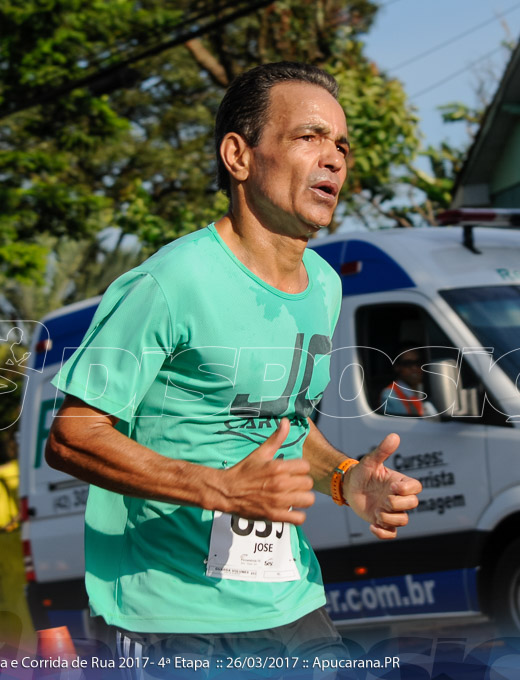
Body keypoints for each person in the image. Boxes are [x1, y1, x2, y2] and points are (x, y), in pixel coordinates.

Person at [45, 62, 422, 666]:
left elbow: (282, 428)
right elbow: (72, 437)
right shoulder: (170, 282)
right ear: (238, 156)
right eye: (309, 137)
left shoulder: (323, 286)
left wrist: (346, 479)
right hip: (174, 614)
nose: (334, 159)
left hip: (289, 600)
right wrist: (218, 488)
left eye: (341, 145)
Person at [380, 346, 438, 417]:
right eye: (407, 363)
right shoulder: (390, 396)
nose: (414, 368)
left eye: (418, 362)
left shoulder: (427, 389)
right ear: (397, 367)